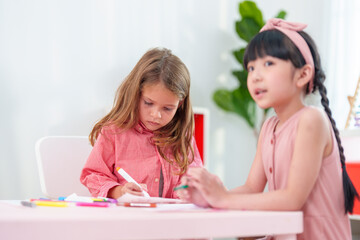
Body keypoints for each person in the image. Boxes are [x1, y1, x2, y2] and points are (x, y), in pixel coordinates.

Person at [179, 19, 358, 239]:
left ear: (303, 75)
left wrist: (223, 198)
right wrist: (208, 197)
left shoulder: (312, 120)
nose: (255, 75)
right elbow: (251, 188)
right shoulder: (269, 126)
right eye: (251, 67)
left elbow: (292, 199)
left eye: (269, 64)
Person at [80, 47, 203, 200]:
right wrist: (120, 191)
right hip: (126, 219)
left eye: (167, 108)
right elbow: (93, 175)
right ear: (136, 94)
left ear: (179, 105)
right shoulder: (115, 131)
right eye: (148, 103)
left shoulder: (182, 136)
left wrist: (190, 190)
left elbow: (193, 178)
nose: (156, 115)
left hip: (169, 219)